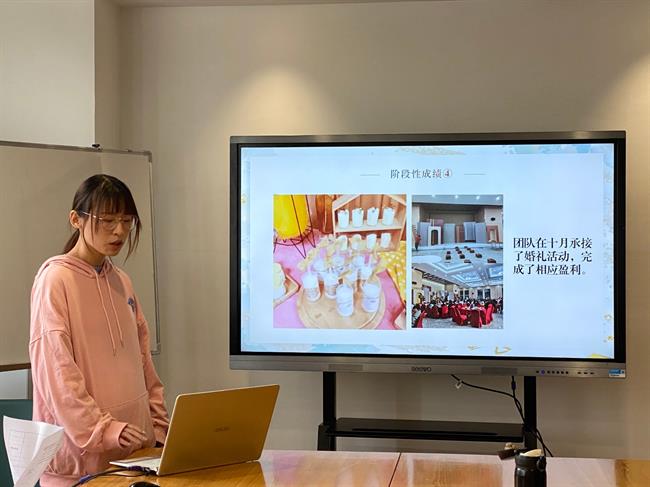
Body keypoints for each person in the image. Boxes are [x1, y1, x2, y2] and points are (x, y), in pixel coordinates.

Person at [29, 174, 169, 487]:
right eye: (107, 220)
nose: (119, 230)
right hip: (79, 465)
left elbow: (143, 361)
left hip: (133, 456)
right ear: (76, 219)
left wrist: (158, 425)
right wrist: (102, 429)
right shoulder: (55, 280)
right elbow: (57, 373)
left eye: (126, 220)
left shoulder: (122, 280)